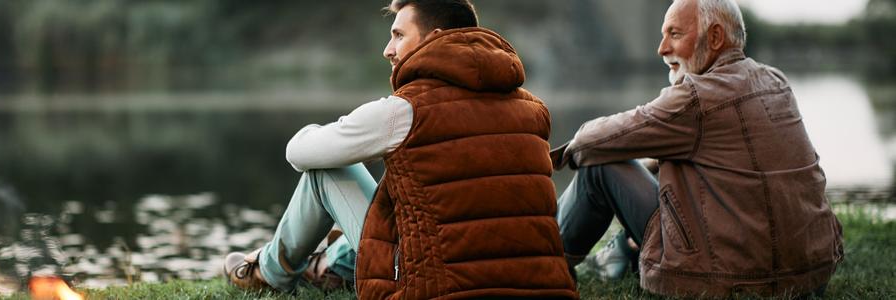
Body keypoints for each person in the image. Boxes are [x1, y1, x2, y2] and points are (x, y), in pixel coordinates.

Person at [222, 0, 578, 298]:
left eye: (398, 35)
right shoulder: (534, 109)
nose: (387, 49)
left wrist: (327, 131)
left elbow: (298, 153)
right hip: (539, 284)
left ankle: (269, 273)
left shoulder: (403, 111)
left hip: (432, 286)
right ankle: (330, 266)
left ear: (433, 39)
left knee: (327, 171)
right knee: (406, 195)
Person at [552, 0, 843, 297]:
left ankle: (545, 262)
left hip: (727, 279)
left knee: (599, 165)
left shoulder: (695, 97)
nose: (662, 48)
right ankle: (623, 251)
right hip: (809, 275)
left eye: (675, 34)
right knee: (660, 165)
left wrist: (546, 158)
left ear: (715, 38)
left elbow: (592, 142)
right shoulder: (775, 81)